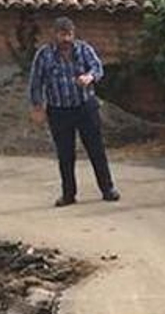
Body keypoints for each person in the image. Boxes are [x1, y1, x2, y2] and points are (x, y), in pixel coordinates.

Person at [28, 17, 120, 207]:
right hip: (59, 110)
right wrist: (37, 106)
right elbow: (36, 82)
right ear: (55, 35)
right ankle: (68, 194)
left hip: (85, 107)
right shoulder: (44, 55)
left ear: (73, 34)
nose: (66, 39)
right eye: (62, 35)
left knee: (96, 150)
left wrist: (89, 76)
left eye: (69, 34)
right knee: (65, 154)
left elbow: (97, 67)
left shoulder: (84, 49)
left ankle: (108, 188)